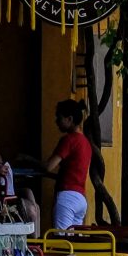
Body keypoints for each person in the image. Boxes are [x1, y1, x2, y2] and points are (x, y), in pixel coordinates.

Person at [45, 98, 94, 230]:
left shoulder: (68, 140)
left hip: (67, 198)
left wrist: (28, 160)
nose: (57, 122)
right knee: (74, 242)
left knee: (62, 243)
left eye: (59, 118)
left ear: (69, 119)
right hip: (81, 199)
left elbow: (48, 166)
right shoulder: (86, 143)